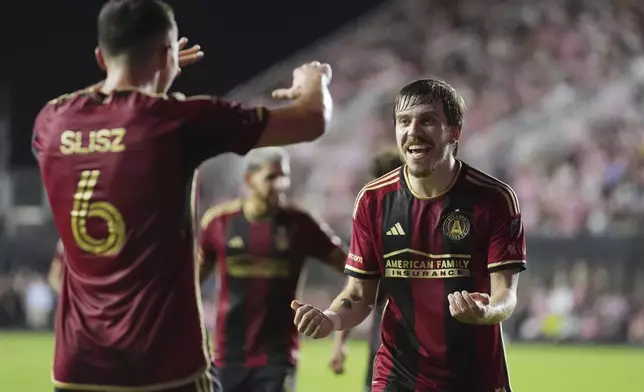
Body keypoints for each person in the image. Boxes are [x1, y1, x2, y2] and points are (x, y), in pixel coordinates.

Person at [31, 0, 334, 390]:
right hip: (165, 370)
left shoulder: (50, 123)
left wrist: (150, 72)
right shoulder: (177, 121)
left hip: (78, 371)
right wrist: (314, 81)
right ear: (167, 53)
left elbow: (106, 108)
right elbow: (311, 119)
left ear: (100, 58)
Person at [292, 78, 526, 392]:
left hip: (475, 377)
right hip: (399, 375)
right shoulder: (373, 201)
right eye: (404, 121)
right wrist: (330, 319)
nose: (413, 131)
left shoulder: (494, 200)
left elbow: (505, 296)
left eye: (427, 120)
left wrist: (485, 312)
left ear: (454, 131)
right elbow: (359, 295)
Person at [197, 147, 347, 392]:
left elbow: (352, 267)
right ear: (249, 179)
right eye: (271, 177)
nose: (280, 184)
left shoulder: (301, 224)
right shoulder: (218, 223)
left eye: (283, 176)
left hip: (278, 358)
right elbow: (191, 284)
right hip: (227, 358)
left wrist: (342, 317)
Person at [327, 149, 403, 389]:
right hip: (387, 343)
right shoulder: (373, 227)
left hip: (392, 344)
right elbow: (356, 288)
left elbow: (355, 289)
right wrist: (340, 342)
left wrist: (339, 344)